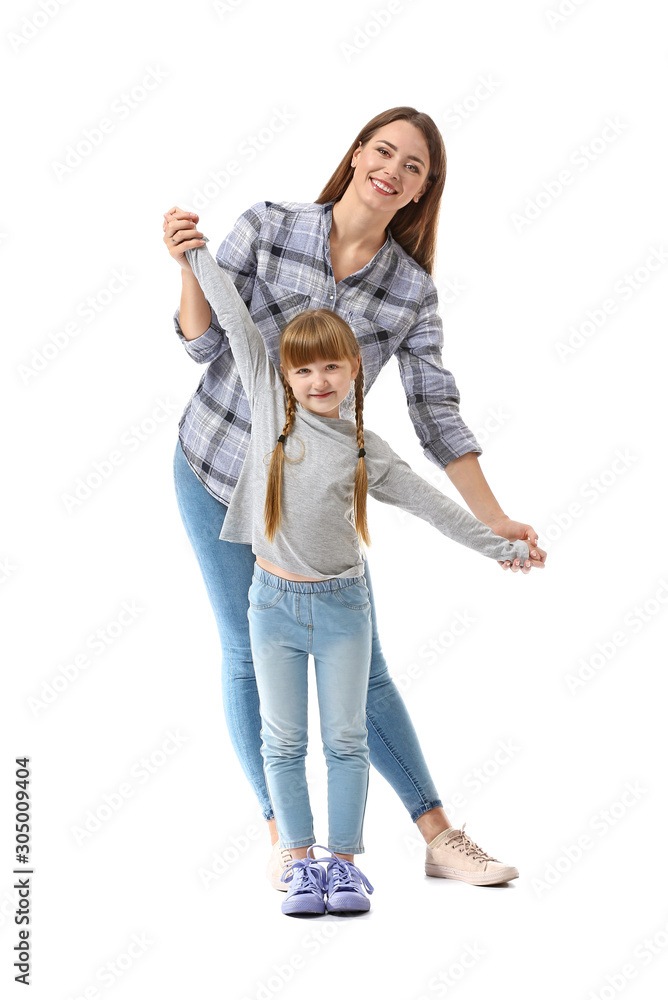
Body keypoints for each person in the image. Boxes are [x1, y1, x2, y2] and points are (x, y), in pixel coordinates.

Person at [165, 106, 546, 892]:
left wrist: (491, 519)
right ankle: (289, 844)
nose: (394, 170)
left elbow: (436, 412)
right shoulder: (269, 227)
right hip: (215, 469)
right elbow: (206, 343)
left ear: (421, 192)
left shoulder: (409, 291)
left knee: (363, 671)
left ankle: (440, 837)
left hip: (318, 503)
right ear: (356, 154)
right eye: (385, 151)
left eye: (415, 167)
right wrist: (185, 264)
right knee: (246, 653)